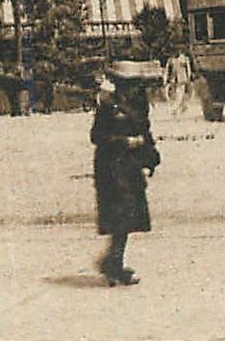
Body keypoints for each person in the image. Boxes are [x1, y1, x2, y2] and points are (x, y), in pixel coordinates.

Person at [91, 61, 160, 286]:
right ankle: (113, 265)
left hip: (130, 166)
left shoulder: (139, 104)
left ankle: (113, 262)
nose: (135, 88)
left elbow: (144, 130)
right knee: (121, 214)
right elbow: (97, 137)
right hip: (111, 166)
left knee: (129, 216)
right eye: (130, 84)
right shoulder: (108, 105)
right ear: (121, 84)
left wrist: (152, 158)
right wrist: (125, 142)